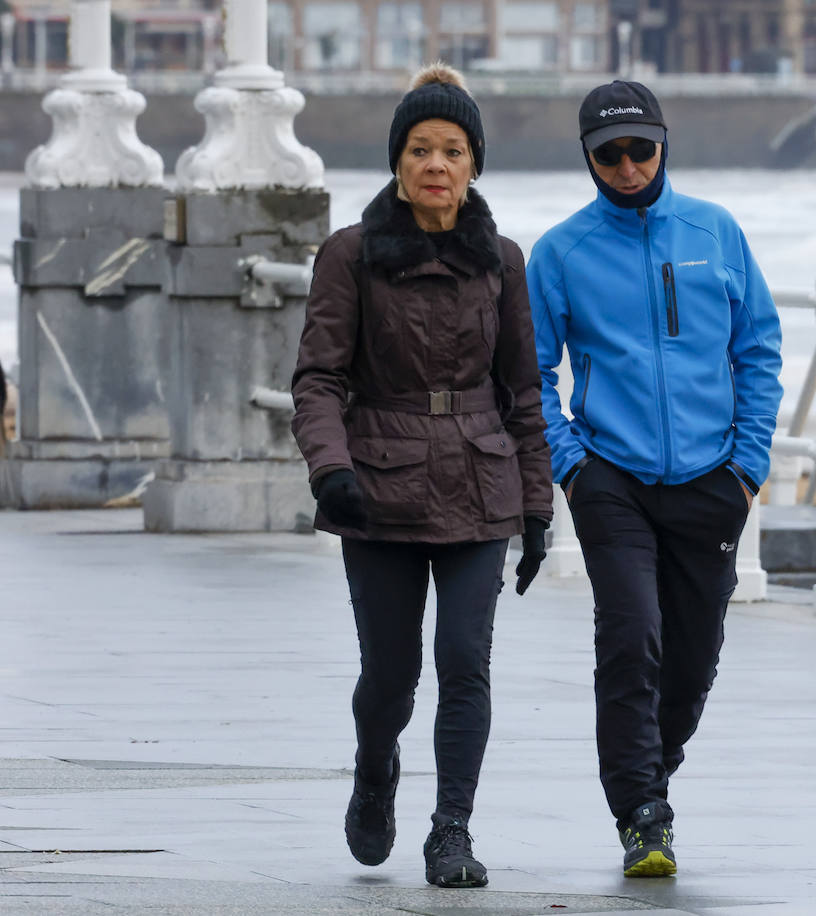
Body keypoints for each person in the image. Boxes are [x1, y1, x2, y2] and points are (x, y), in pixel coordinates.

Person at [290, 63, 552, 888]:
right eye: (418, 149)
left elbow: (523, 390)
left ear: (474, 163)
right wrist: (330, 469)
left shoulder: (503, 261)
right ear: (398, 163)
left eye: (451, 150)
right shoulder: (351, 255)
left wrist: (537, 507)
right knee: (392, 674)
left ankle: (452, 830)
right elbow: (319, 380)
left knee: (465, 659)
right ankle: (376, 766)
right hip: (379, 484)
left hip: (481, 485)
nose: (435, 165)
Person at [525, 80, 783, 878]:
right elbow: (531, 375)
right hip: (614, 480)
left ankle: (651, 773)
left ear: (664, 142)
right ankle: (641, 810)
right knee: (631, 635)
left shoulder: (717, 231)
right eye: (610, 154)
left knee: (694, 658)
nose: (628, 166)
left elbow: (759, 349)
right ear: (588, 158)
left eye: (641, 149)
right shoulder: (559, 253)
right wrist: (572, 468)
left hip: (714, 479)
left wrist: (748, 465)